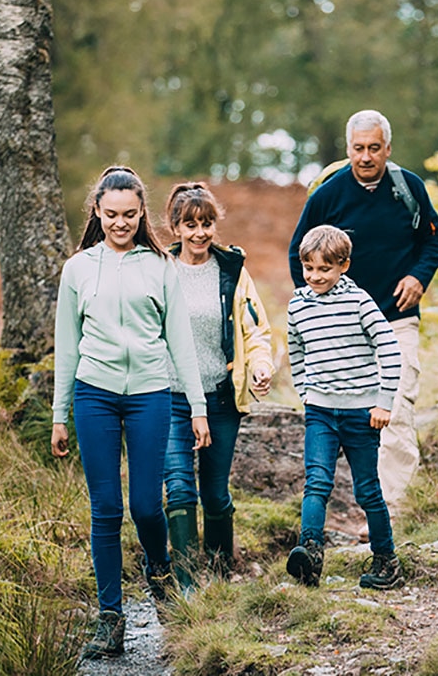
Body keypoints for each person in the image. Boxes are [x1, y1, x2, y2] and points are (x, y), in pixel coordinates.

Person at [50, 166, 211, 661]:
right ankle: (110, 617)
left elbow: (180, 343)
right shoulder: (78, 269)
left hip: (150, 393)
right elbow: (67, 346)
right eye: (111, 214)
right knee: (106, 510)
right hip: (93, 394)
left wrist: (199, 409)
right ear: (97, 212)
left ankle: (158, 566)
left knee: (145, 505)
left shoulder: (160, 266)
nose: (120, 223)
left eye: (130, 214)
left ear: (142, 214)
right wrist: (59, 414)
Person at [287, 109, 438, 505]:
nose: (366, 157)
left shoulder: (408, 188)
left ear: (388, 149)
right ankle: (367, 505)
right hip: (345, 328)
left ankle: (393, 512)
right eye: (358, 148)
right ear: (348, 149)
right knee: (357, 418)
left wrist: (417, 278)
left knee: (395, 407)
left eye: (374, 148)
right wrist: (317, 307)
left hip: (397, 319)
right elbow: (298, 255)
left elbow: (434, 239)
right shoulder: (328, 196)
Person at [161, 181, 274, 588]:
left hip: (220, 399)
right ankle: (190, 587)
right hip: (169, 399)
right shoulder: (159, 270)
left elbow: (256, 330)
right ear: (175, 227)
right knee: (178, 489)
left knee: (214, 493)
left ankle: (222, 577)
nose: (199, 233)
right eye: (190, 224)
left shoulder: (232, 272)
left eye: (206, 223)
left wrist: (261, 366)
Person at [285, 224, 404, 589]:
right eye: (309, 268)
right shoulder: (297, 305)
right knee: (316, 482)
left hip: (361, 412)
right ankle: (310, 553)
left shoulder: (360, 302)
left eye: (324, 269)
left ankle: (387, 560)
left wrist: (383, 403)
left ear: (344, 266)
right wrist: (305, 389)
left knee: (366, 489)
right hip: (320, 411)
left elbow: (390, 347)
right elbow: (296, 349)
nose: (315, 276)